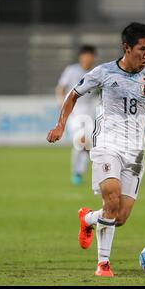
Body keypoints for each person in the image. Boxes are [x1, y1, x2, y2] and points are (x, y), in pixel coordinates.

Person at [47, 22, 145, 277]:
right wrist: (60, 126)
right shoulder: (103, 73)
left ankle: (89, 219)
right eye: (142, 49)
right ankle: (103, 264)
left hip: (135, 153)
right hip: (107, 145)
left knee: (120, 216)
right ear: (126, 48)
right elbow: (72, 95)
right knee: (112, 199)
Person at [55, 45, 97, 185]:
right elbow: (60, 87)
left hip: (91, 114)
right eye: (85, 55)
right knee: (81, 141)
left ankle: (79, 173)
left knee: (87, 144)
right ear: (81, 57)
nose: (87, 58)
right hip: (74, 113)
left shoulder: (97, 73)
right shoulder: (71, 71)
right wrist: (61, 102)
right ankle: (77, 172)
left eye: (90, 55)